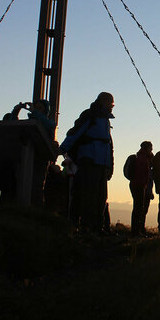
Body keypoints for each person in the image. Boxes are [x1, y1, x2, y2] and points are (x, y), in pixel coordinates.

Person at [59, 92, 115, 233]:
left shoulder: (104, 120)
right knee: (88, 196)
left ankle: (97, 228)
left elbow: (108, 146)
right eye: (111, 104)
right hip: (89, 162)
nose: (112, 107)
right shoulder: (90, 116)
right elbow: (75, 133)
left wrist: (109, 166)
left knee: (101, 198)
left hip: (101, 165)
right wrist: (61, 149)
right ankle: (86, 227)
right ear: (103, 102)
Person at [129, 141, 154, 236]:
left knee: (138, 207)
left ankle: (138, 229)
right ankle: (136, 231)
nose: (151, 150)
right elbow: (144, 175)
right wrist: (146, 188)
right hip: (140, 186)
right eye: (151, 148)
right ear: (147, 148)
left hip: (135, 185)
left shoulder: (140, 157)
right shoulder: (143, 159)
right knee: (139, 208)